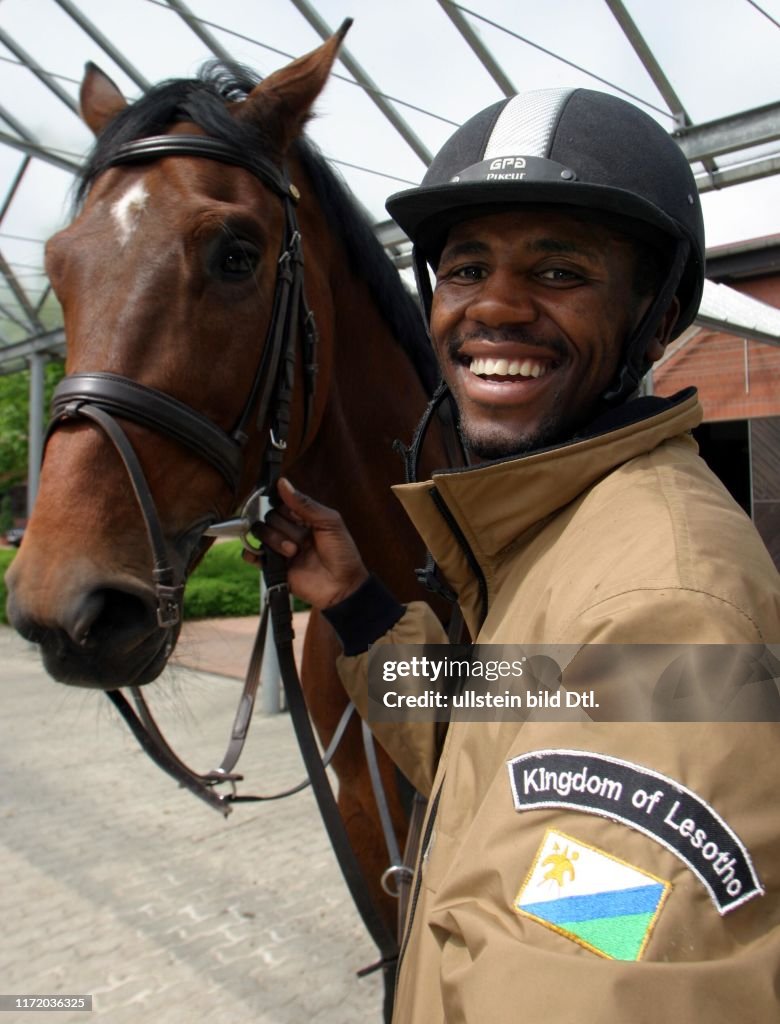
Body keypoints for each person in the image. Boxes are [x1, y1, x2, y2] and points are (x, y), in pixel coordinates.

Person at [256, 88, 780, 1022]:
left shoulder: (668, 606)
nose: (494, 307)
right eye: (464, 270)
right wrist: (360, 608)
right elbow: (496, 751)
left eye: (561, 271)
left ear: (657, 319)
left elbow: (594, 969)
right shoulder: (568, 532)